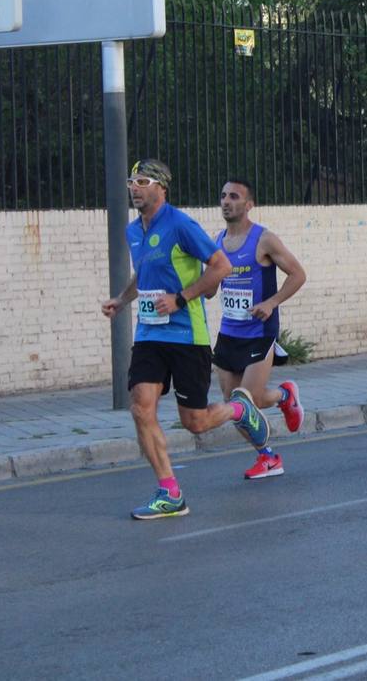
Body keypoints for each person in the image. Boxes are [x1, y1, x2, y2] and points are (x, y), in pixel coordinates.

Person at [101, 159, 270, 520]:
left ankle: (240, 409)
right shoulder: (134, 231)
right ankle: (169, 491)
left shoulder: (180, 224)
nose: (134, 187)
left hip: (186, 336)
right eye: (131, 181)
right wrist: (122, 299)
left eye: (142, 181)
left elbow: (221, 266)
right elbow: (143, 271)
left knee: (194, 422)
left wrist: (181, 298)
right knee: (140, 405)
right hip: (149, 333)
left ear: (161, 187)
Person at [213, 179, 308, 480]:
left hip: (259, 331)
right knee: (235, 406)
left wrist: (271, 302)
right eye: (224, 196)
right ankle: (268, 455)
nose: (226, 201)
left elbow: (298, 274)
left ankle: (283, 397)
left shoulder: (264, 240)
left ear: (249, 204)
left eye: (234, 196)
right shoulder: (217, 242)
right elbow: (210, 288)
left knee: (247, 400)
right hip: (229, 332)